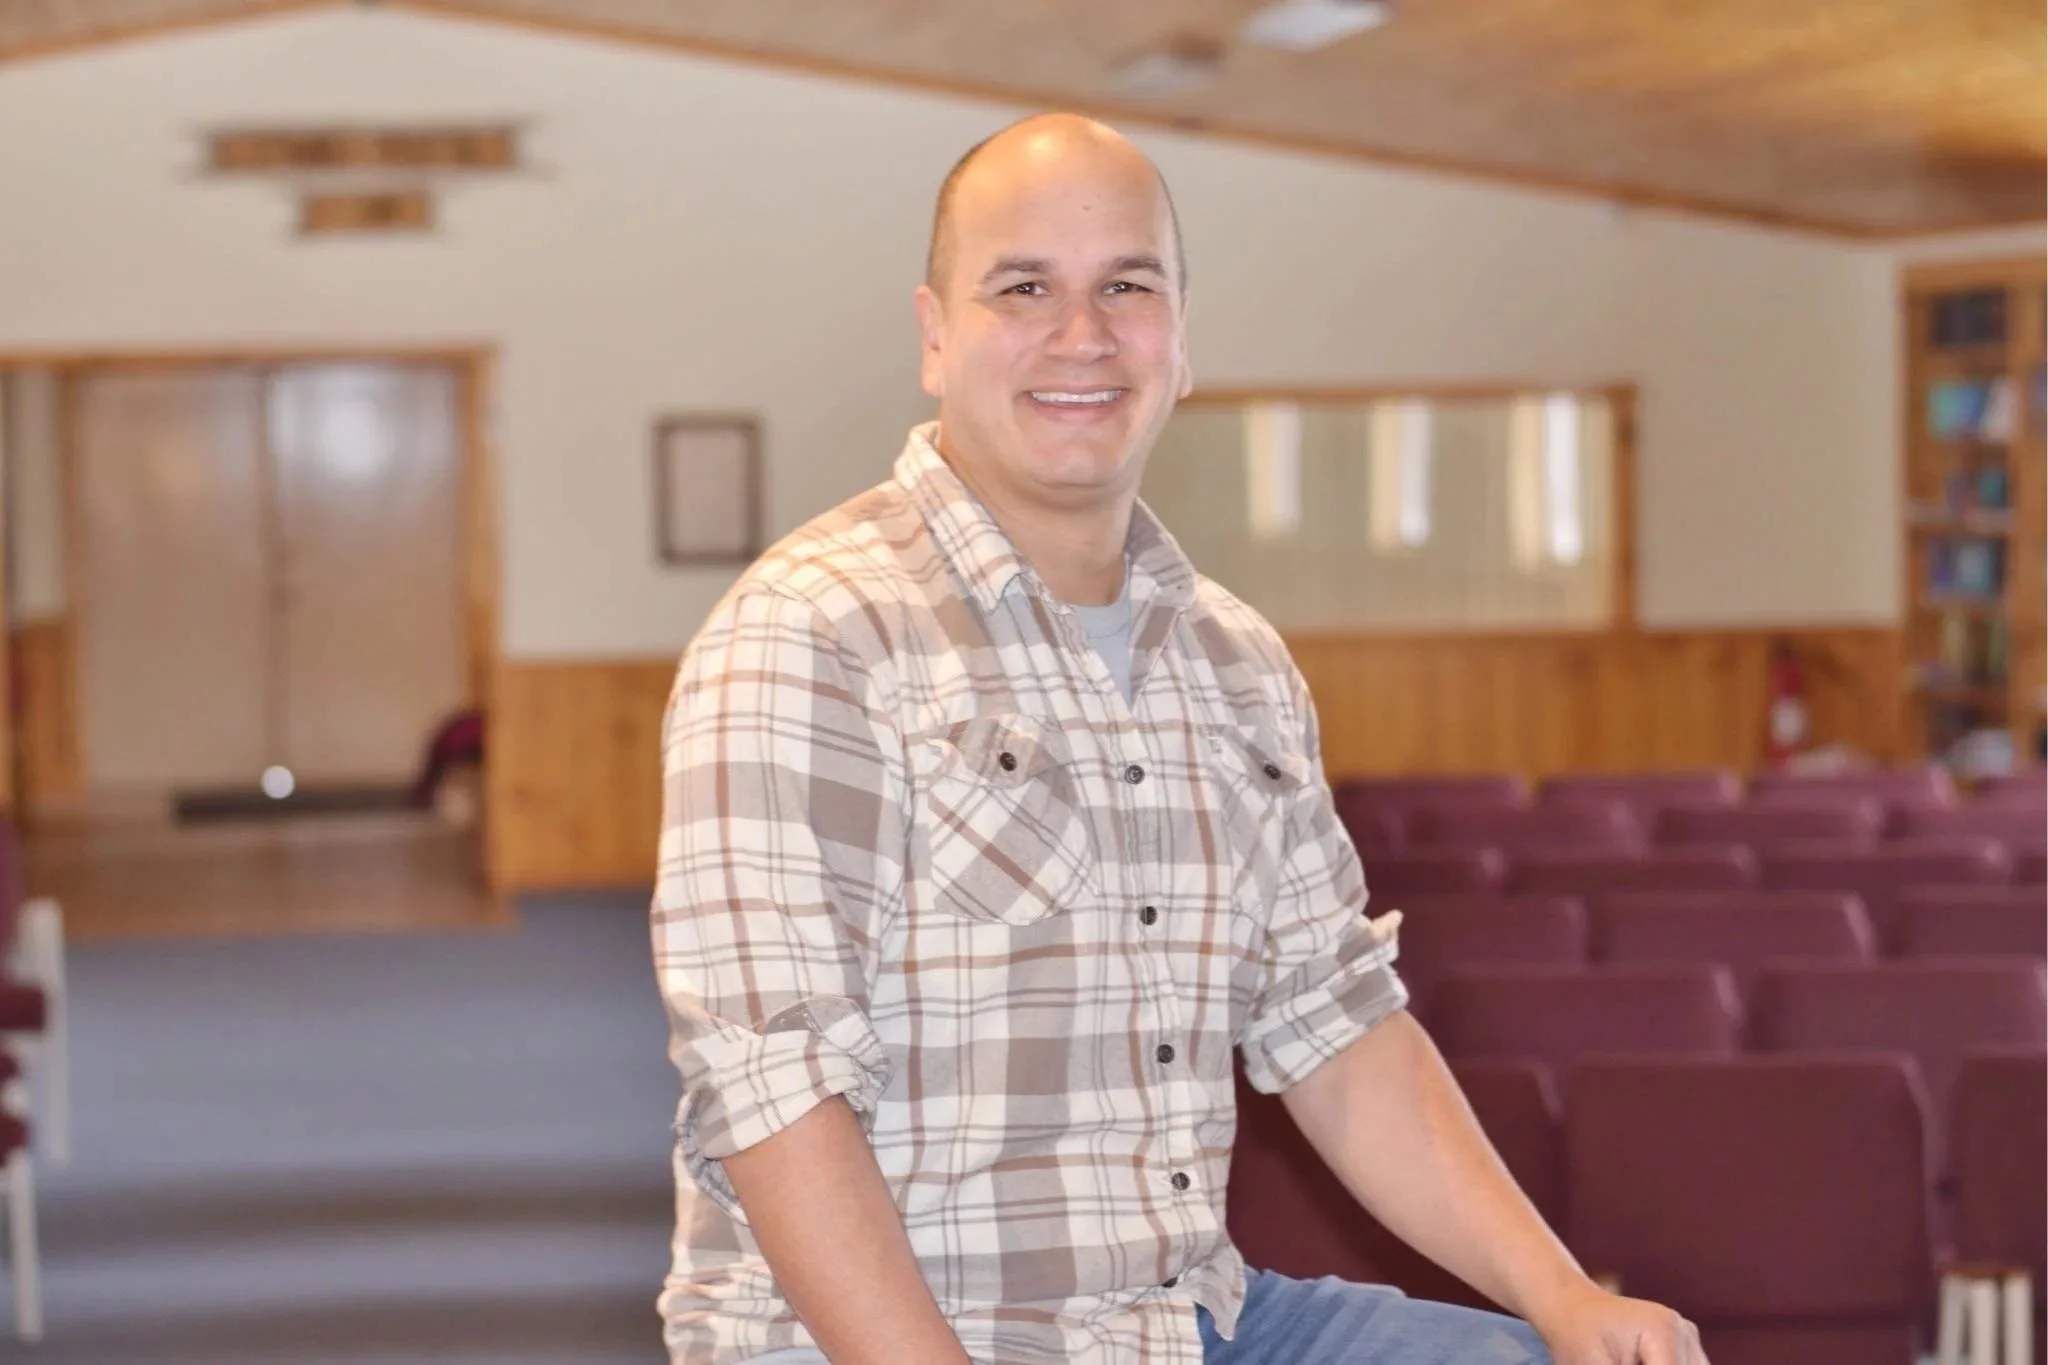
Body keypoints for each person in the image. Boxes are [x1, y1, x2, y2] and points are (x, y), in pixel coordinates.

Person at [652, 112, 1708, 1365]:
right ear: (936, 336)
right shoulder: (807, 635)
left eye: (1126, 287)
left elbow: (1336, 1025)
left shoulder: (1235, 662)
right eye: (1023, 287)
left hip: (1183, 1320)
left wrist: (1564, 1297)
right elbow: (775, 1092)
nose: (1081, 333)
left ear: (1180, 340)